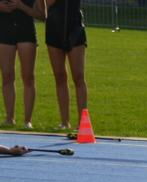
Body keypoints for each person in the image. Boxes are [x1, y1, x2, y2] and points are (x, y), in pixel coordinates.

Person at [0, 0, 43, 129]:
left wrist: (21, 6)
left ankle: (27, 121)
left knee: (28, 77)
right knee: (7, 76)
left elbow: (42, 15)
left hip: (26, 32)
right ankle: (9, 118)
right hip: (4, 31)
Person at [44, 0, 86, 130]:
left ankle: (82, 123)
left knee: (78, 77)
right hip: (54, 27)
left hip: (75, 28)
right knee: (59, 76)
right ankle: (64, 122)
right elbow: (48, 3)